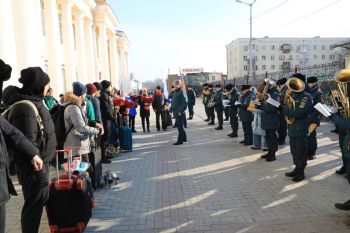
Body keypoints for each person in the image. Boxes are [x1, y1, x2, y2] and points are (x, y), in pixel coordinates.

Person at [2, 67, 57, 233]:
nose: (48, 88)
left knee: (37, 203)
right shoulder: (25, 108)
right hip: (33, 168)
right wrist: (39, 174)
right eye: (46, 84)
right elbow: (28, 143)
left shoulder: (35, 102)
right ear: (38, 85)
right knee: (33, 206)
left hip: (40, 164)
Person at [283, 73, 313, 182]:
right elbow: (288, 107)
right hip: (292, 128)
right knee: (294, 151)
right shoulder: (294, 95)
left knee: (301, 151)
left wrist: (284, 110)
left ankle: (301, 172)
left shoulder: (306, 97)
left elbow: (298, 113)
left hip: (300, 129)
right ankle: (296, 168)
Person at [64, 82, 102, 160]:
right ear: (82, 94)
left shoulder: (75, 105)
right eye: (85, 93)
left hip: (79, 146)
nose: (86, 95)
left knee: (85, 170)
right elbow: (81, 128)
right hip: (76, 147)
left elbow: (82, 120)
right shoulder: (73, 108)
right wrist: (97, 131)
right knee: (81, 171)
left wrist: (94, 123)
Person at [258, 80, 280, 162]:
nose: (264, 87)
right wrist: (258, 103)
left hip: (272, 119)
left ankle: (273, 154)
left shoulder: (275, 95)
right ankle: (269, 152)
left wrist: (260, 107)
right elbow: (264, 104)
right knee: (268, 137)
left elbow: (271, 108)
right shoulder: (268, 94)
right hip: (267, 118)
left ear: (270, 86)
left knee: (272, 137)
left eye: (265, 86)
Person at [306, 76, 324, 160]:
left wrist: (311, 118)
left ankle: (312, 153)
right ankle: (307, 151)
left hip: (313, 119)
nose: (309, 84)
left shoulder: (318, 93)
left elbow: (318, 108)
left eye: (311, 83)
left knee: (311, 136)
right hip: (305, 117)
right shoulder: (306, 90)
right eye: (308, 82)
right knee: (306, 136)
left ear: (315, 83)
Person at [99, 80, 115, 164]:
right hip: (105, 120)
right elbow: (106, 109)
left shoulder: (106, 94)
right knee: (104, 139)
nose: (111, 88)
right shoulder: (103, 95)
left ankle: (105, 154)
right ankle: (103, 157)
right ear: (107, 87)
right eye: (110, 86)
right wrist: (112, 118)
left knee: (107, 138)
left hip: (108, 119)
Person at [171, 80, 187, 145]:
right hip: (175, 111)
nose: (174, 85)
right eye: (174, 84)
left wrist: (180, 111)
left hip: (179, 112)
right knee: (180, 126)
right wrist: (170, 109)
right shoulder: (175, 92)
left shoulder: (181, 92)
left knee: (180, 127)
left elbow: (185, 103)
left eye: (175, 84)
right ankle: (184, 138)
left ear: (178, 85)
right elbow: (173, 101)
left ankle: (180, 140)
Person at [276, 78, 288, 145]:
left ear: (280, 85)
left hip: (283, 110)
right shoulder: (282, 89)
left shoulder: (286, 89)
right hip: (280, 109)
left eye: (278, 85)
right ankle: (280, 138)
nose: (278, 87)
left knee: (283, 126)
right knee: (280, 126)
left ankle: (282, 139)